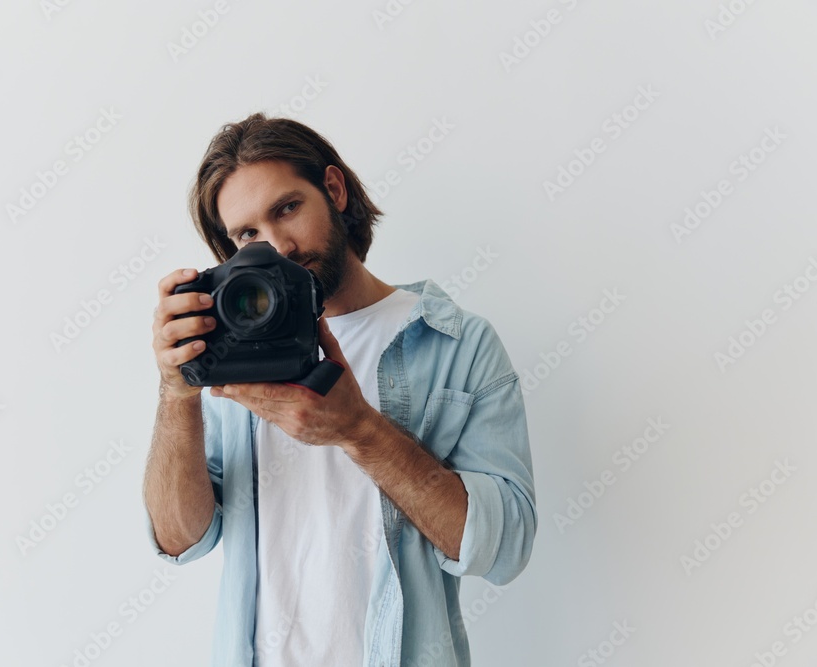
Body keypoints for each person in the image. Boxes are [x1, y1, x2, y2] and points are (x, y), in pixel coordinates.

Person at [143, 112, 537, 666]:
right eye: (247, 233)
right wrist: (176, 390)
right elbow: (181, 538)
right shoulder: (232, 362)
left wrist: (361, 431)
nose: (275, 246)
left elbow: (505, 549)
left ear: (333, 189)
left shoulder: (457, 343)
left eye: (287, 208)